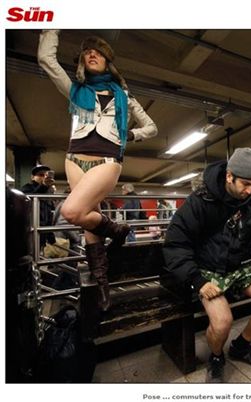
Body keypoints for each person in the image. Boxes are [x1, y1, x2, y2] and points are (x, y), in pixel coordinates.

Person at [38, 30, 158, 311]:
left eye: (99, 52)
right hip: (74, 159)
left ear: (107, 61)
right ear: (82, 60)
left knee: (72, 211)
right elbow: (45, 59)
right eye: (87, 51)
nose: (92, 54)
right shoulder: (75, 90)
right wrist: (52, 27)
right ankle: (102, 282)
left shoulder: (123, 96)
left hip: (107, 160)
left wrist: (130, 135)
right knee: (88, 222)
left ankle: (117, 231)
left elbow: (152, 127)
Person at [163, 148, 251, 383]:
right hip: (207, 269)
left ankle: (241, 346)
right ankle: (217, 357)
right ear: (229, 176)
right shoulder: (199, 201)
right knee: (222, 323)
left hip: (240, 264)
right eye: (245, 184)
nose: (250, 190)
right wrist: (197, 281)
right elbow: (176, 244)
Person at [21, 165, 56, 248]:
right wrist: (44, 185)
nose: (44, 177)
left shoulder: (48, 191)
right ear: (32, 177)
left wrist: (50, 235)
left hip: (42, 231)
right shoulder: (26, 188)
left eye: (46, 175)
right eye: (41, 175)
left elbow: (49, 213)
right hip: (30, 230)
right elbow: (31, 197)